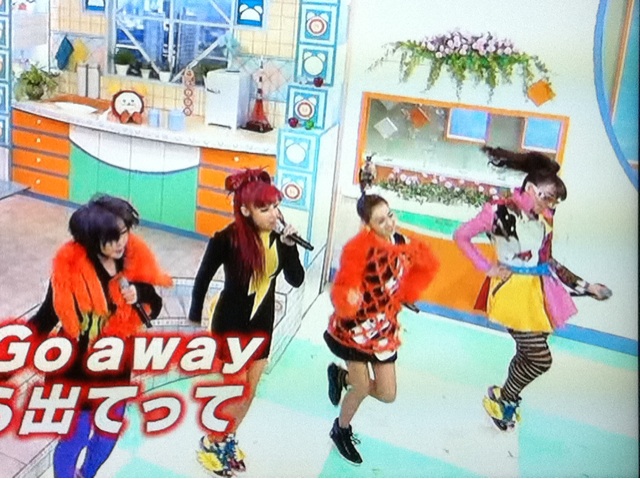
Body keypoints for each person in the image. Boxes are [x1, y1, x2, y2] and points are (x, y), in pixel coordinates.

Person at [454, 146, 612, 431]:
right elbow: (461, 235)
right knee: (540, 359)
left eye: (555, 201)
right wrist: (486, 266)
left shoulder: (545, 219)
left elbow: (548, 260)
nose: (550, 205)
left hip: (540, 294)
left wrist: (586, 286)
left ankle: (504, 400)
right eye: (546, 197)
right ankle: (505, 397)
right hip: (511, 293)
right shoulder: (498, 210)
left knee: (528, 354)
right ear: (529, 188)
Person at [27, 194, 173, 477]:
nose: (121, 242)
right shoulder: (70, 272)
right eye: (112, 238)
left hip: (115, 368)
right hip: (74, 369)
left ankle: (86, 474)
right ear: (93, 239)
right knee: (75, 437)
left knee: (108, 435)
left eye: (124, 232)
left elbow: (154, 306)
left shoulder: (132, 264)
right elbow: (45, 317)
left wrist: (140, 295)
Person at [188, 168, 305, 477]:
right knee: (235, 390)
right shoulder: (226, 239)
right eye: (264, 208)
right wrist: (195, 317)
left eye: (275, 206)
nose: (273, 214)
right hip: (231, 324)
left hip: (262, 325)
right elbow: (203, 278)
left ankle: (227, 437)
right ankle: (211, 442)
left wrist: (290, 246)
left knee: (250, 391)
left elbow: (296, 279)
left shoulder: (281, 239)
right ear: (245, 210)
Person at [324, 189, 439, 464]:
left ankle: (341, 378)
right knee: (362, 388)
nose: (389, 223)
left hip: (384, 329)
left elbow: (417, 266)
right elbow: (343, 287)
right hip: (354, 329)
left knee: (388, 394)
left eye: (390, 215)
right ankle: (341, 430)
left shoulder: (401, 241)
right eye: (380, 220)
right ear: (367, 225)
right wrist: (349, 297)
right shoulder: (358, 250)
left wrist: (405, 293)